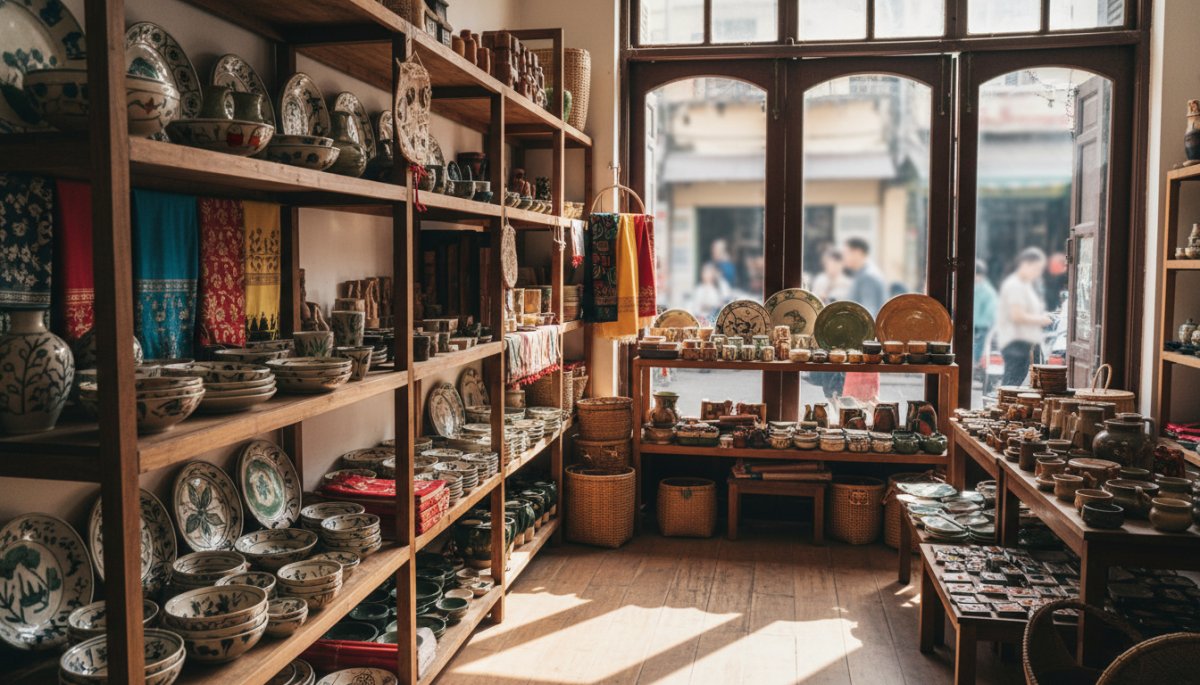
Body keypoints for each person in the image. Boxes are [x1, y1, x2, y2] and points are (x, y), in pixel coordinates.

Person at [996, 247, 1052, 387]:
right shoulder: (1015, 285)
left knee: (1015, 381)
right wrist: (1041, 320)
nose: (1038, 273)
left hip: (1022, 341)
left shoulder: (1025, 284)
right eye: (1037, 268)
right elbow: (1017, 315)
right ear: (1026, 264)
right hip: (1015, 341)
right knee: (1011, 384)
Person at [843, 238, 886, 315]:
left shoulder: (867, 277)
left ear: (857, 253)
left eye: (846, 253)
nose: (844, 257)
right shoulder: (863, 273)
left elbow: (868, 314)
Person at [973, 259, 998, 370]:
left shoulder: (987, 291)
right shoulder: (974, 288)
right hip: (972, 324)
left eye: (976, 275)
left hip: (982, 326)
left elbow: (990, 312)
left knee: (979, 344)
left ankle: (977, 363)